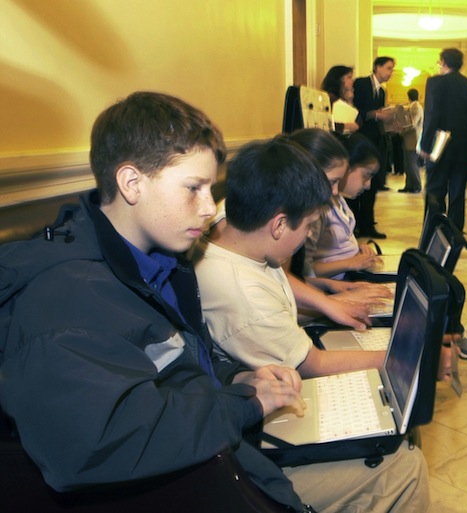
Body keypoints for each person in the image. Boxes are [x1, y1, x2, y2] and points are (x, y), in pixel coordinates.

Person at [0, 92, 428, 512]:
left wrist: (238, 377)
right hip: (190, 479)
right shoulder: (68, 299)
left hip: (215, 448)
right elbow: (95, 444)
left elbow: (180, 363)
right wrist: (244, 402)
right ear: (132, 183)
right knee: (401, 469)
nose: (209, 208)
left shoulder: (159, 260)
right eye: (194, 188)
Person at [192, 137, 388, 378]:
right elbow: (315, 364)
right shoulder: (245, 296)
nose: (307, 236)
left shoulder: (242, 235)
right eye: (308, 226)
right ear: (280, 225)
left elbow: (276, 275)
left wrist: (329, 301)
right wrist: (404, 358)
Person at [419, 47, 467, 231]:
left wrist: (425, 145)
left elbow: (432, 114)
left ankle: (433, 230)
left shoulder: (435, 82)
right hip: (464, 148)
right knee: (457, 194)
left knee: (435, 192)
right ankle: (454, 234)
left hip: (439, 147)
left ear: (443, 62)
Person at [302, 133, 383, 280]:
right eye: (366, 175)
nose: (368, 185)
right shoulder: (319, 210)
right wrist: (349, 263)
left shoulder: (339, 200)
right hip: (335, 282)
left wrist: (358, 249)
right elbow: (305, 270)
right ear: (347, 168)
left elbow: (339, 246)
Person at [351, 56, 396, 239]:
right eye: (388, 68)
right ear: (377, 67)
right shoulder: (361, 84)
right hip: (359, 141)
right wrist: (376, 115)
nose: (390, 73)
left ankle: (368, 225)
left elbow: (379, 119)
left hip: (376, 142)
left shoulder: (382, 92)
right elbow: (354, 111)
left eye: (392, 69)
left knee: (372, 186)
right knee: (356, 184)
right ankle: (355, 225)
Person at [321, 65, 360, 133]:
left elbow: (358, 121)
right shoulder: (329, 98)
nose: (352, 81)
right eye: (349, 77)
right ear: (339, 79)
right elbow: (323, 122)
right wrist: (344, 126)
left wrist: (349, 102)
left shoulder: (345, 97)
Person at [399, 88, 424, 193]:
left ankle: (417, 185)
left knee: (413, 164)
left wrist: (401, 129)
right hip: (408, 139)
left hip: (413, 140)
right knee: (407, 164)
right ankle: (409, 185)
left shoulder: (416, 107)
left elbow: (412, 123)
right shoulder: (413, 106)